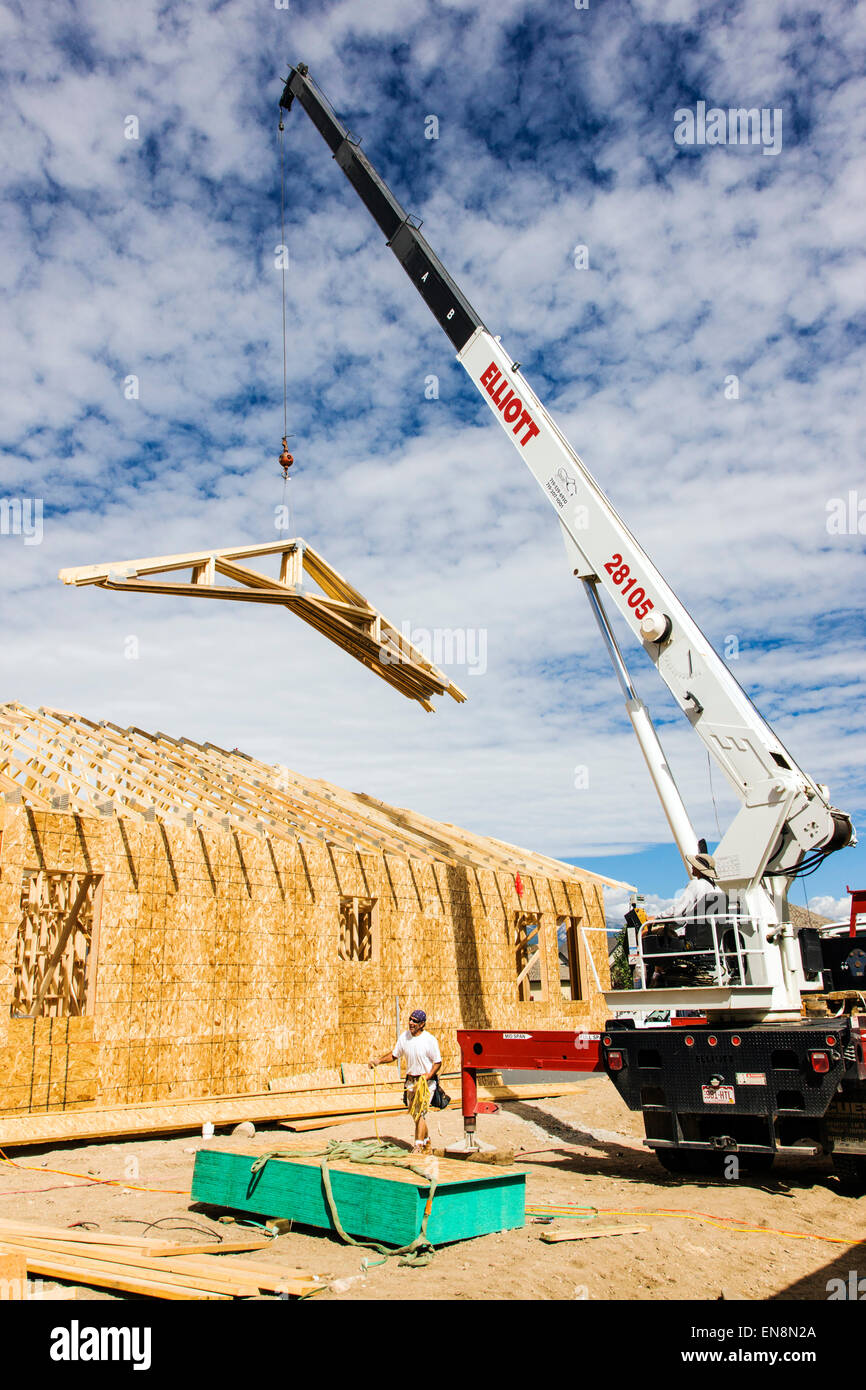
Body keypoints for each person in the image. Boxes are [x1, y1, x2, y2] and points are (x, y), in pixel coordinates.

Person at [369, 1009, 442, 1153]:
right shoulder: (404, 1037)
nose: (411, 1023)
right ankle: (427, 1142)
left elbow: (437, 1062)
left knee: (420, 1112)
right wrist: (378, 1061)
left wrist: (428, 1076)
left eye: (415, 1021)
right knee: (415, 1114)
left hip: (426, 1083)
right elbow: (394, 1055)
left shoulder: (429, 1040)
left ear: (422, 1024)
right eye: (410, 1019)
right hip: (411, 1081)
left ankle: (418, 1145)